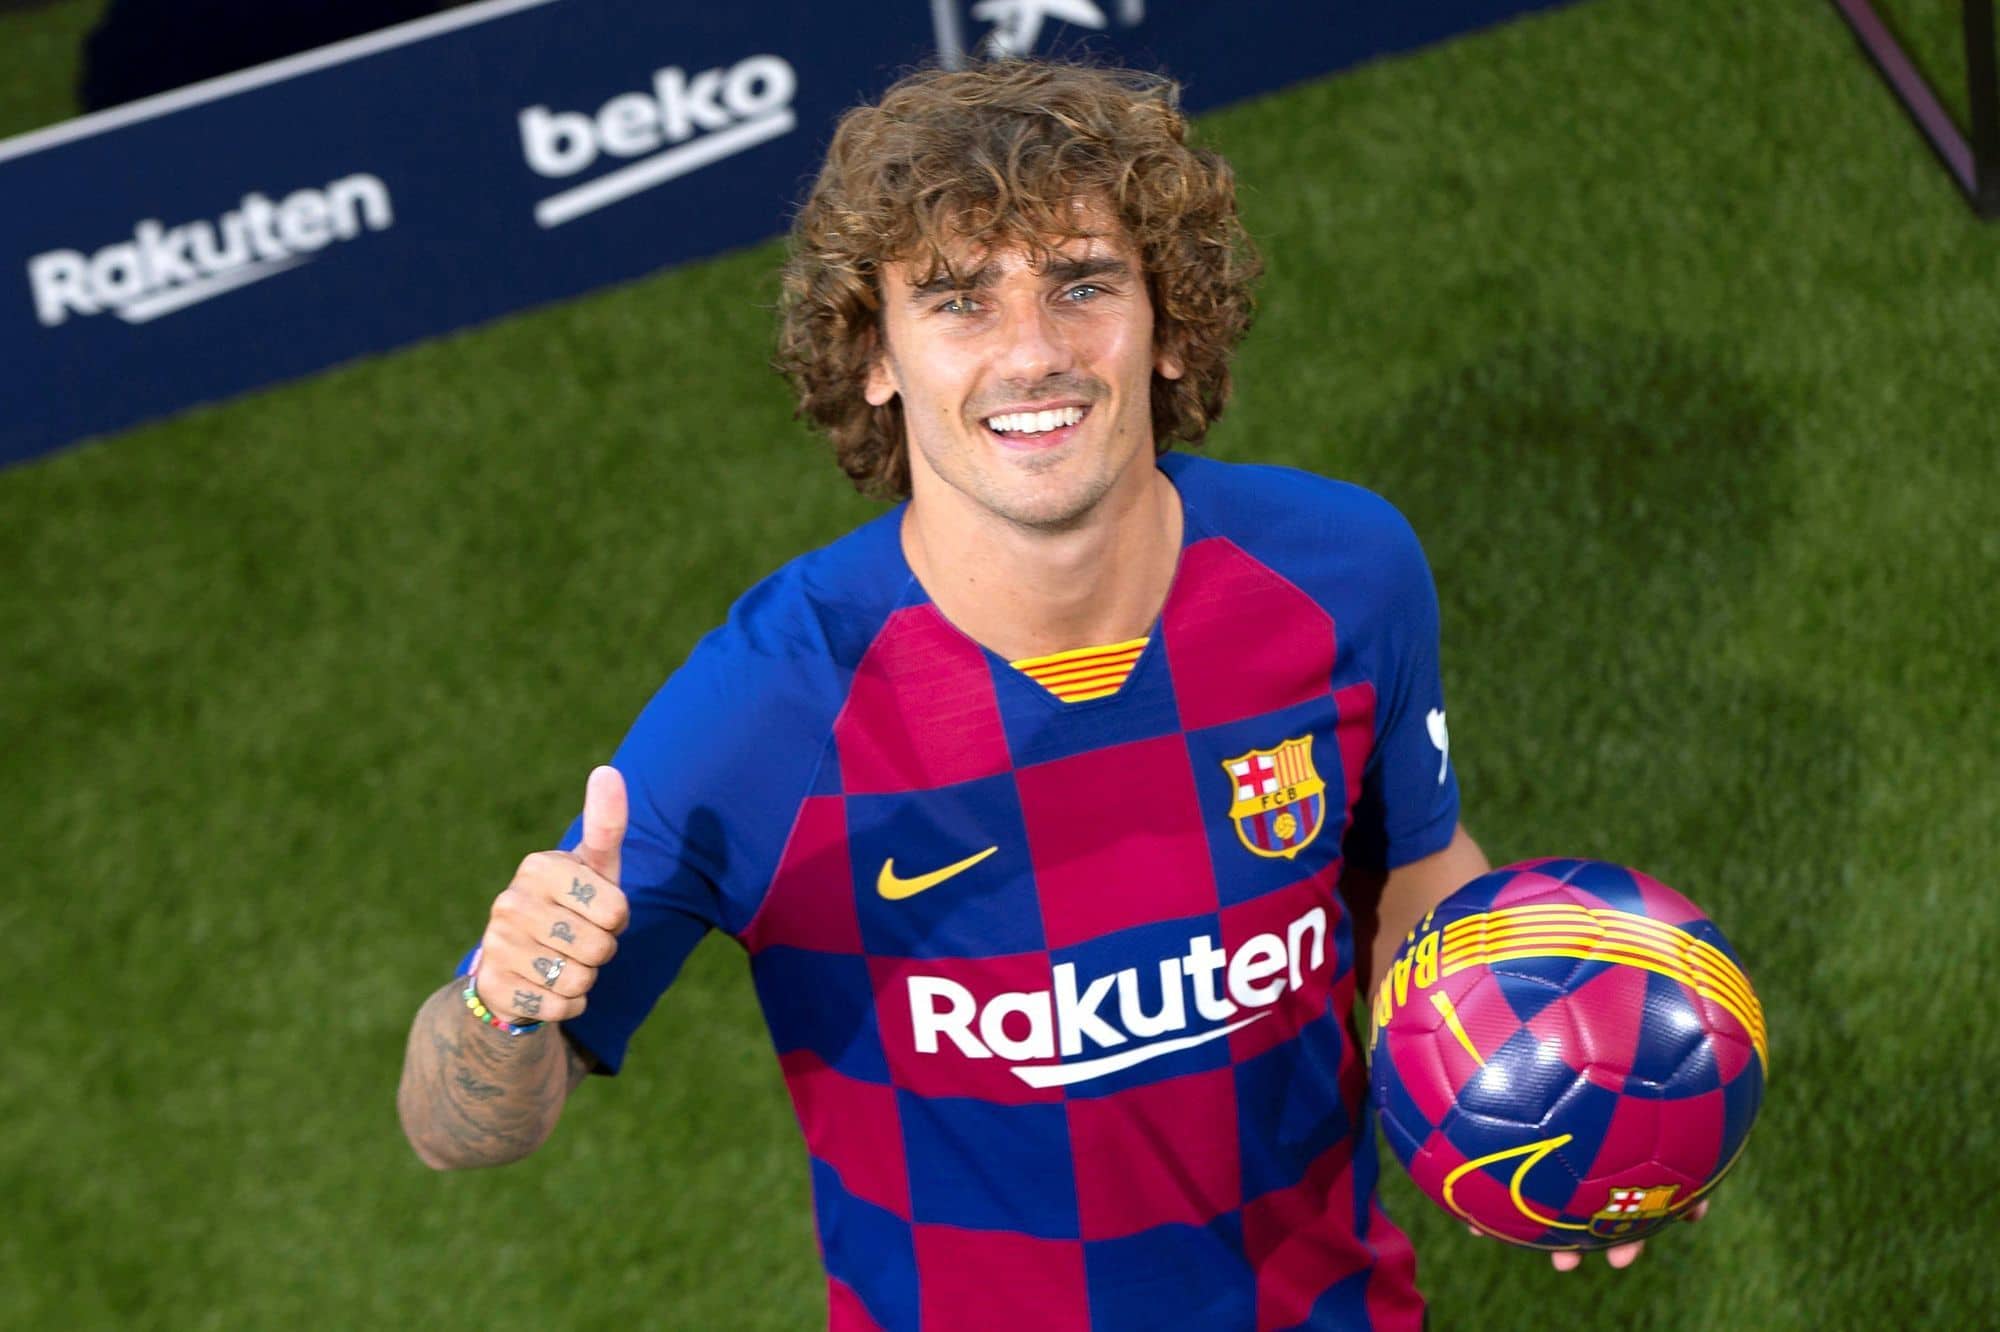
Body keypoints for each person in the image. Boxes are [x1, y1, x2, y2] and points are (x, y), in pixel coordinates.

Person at [397, 58, 1669, 1329]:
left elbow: (1415, 883)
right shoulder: (766, 711)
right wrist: (499, 1004)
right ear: (875, 356)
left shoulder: (1342, 577)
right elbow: (453, 1128)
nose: (1033, 354)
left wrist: (1571, 1100)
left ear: (1168, 321)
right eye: (957, 299)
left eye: (1080, 284)